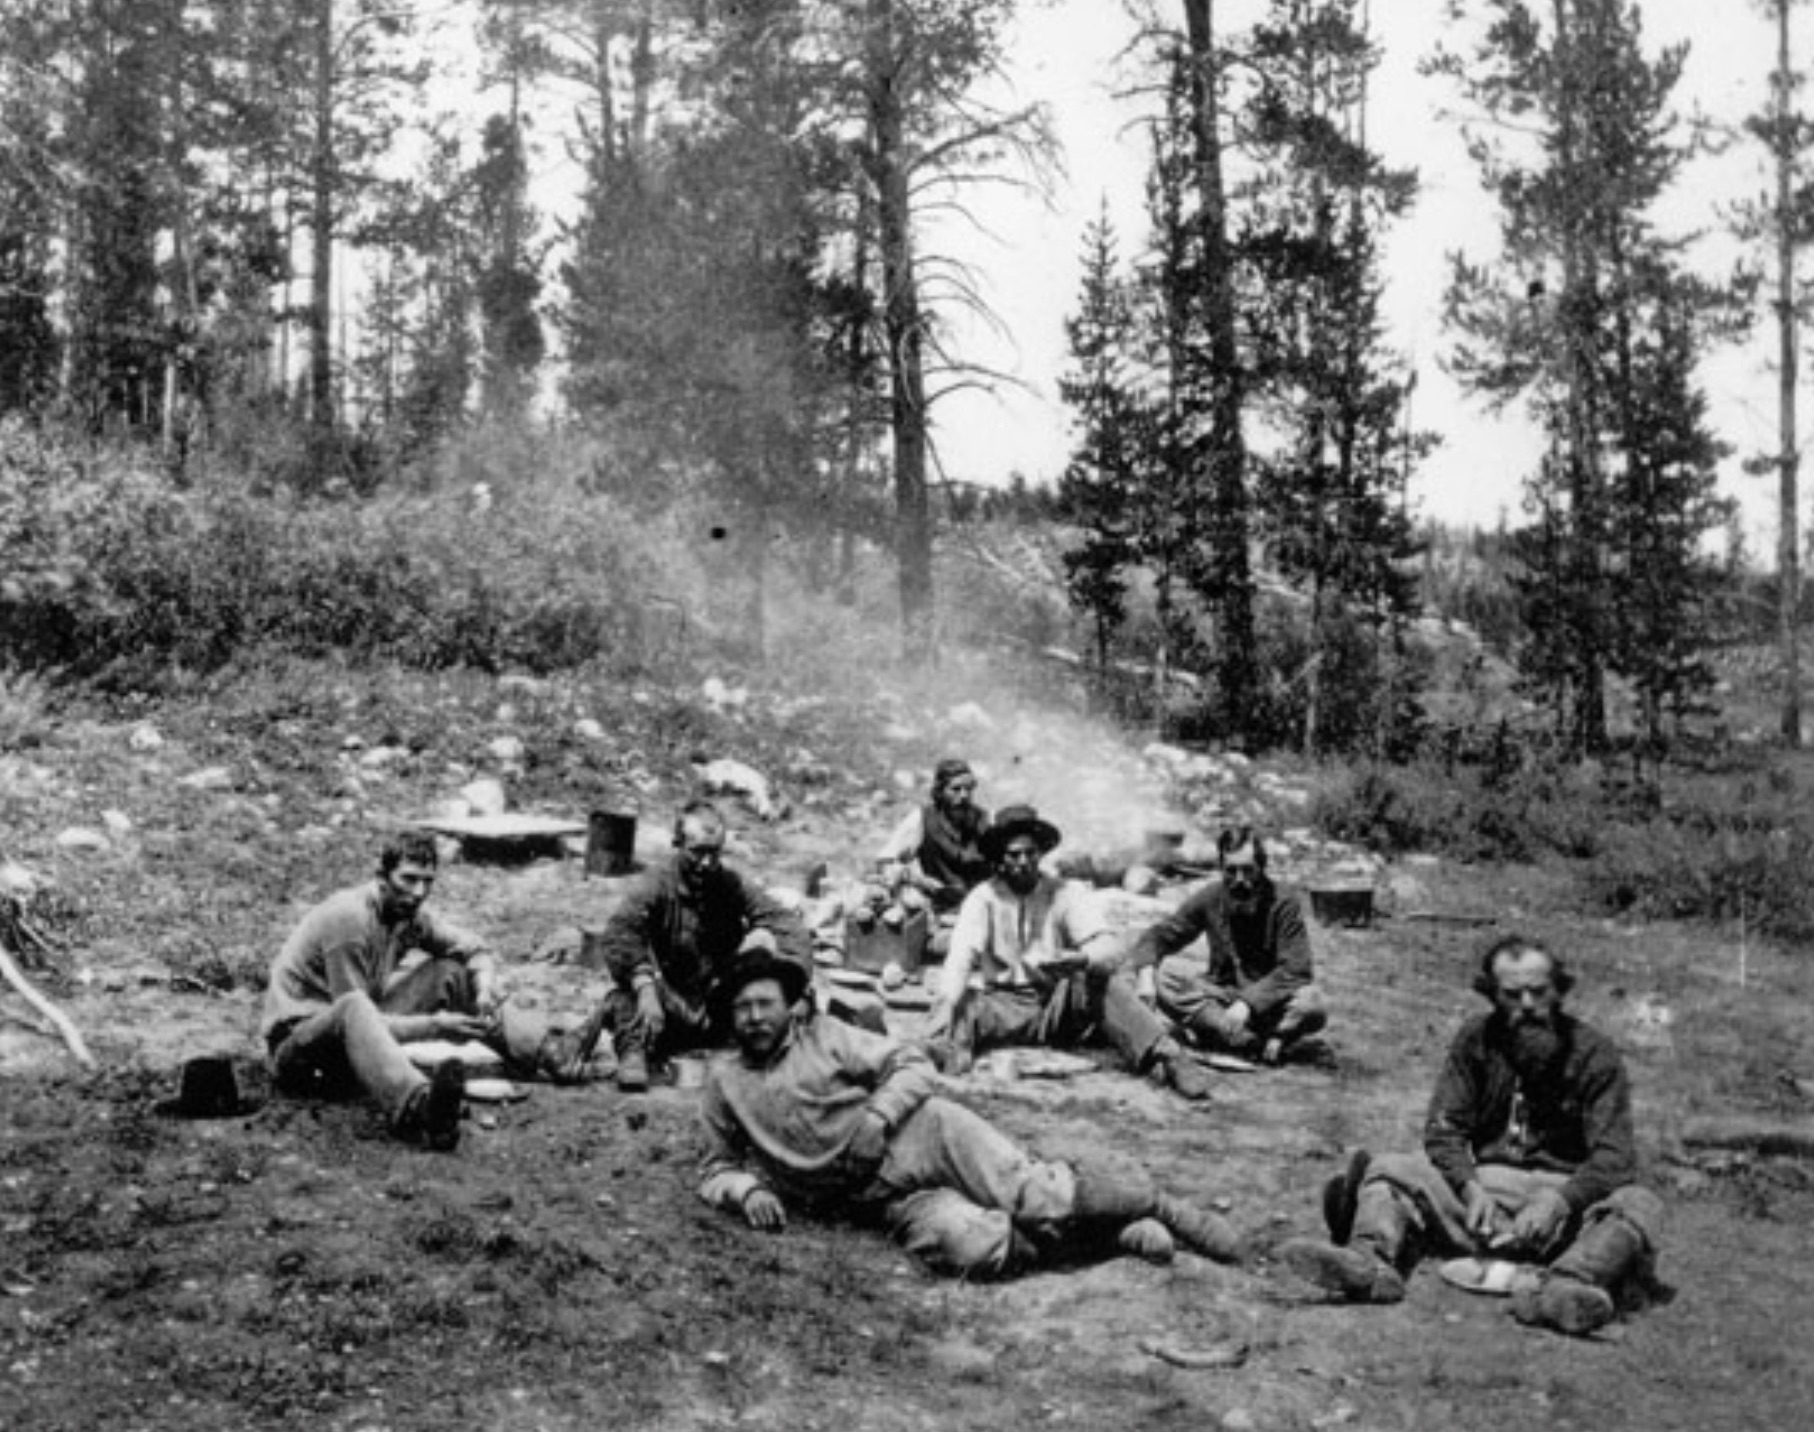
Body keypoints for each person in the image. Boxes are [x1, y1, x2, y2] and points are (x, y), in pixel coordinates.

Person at [698, 947, 1244, 1277]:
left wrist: (877, 1118)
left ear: (789, 1007)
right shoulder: (726, 1082)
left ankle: (1163, 1207)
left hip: (920, 1135)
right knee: (973, 1245)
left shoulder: (827, 1035)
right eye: (741, 1008)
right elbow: (714, 1166)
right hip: (871, 1198)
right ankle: (1112, 1236)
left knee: (1032, 1193)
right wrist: (748, 1190)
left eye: (763, 1003)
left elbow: (912, 1062)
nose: (752, 1017)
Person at [1277, 935, 1665, 1337]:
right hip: (1484, 1194)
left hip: (1564, 1207)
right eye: (1513, 995)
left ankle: (1566, 1286)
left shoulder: (1595, 1054)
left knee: (1639, 1203)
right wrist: (1469, 1187)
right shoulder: (1475, 1040)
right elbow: (1444, 1130)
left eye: (1539, 992)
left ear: (1559, 991)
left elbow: (1614, 1157)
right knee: (1390, 1169)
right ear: (1493, 996)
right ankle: (1370, 1265)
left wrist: (1560, 1201)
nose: (1528, 1005)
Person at [262, 831, 569, 1152]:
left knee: (450, 971)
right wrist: (436, 1025)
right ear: (382, 877)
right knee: (355, 1005)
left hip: (357, 1030)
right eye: (408, 879)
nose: (418, 892)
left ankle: (544, 1054)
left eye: (427, 881)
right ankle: (420, 1107)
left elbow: (473, 948)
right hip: (302, 1050)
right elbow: (357, 1018)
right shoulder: (348, 920)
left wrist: (483, 987)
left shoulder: (406, 915)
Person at [925, 805, 1216, 1101]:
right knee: (962, 1004)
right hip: (1002, 1004)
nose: (1023, 862)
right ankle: (944, 1056)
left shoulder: (1064, 892)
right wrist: (948, 1002)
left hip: (1055, 1002)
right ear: (1001, 857)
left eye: (1030, 853)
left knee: (1100, 982)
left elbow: (1107, 946)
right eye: (1014, 855)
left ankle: (1169, 1056)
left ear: (1040, 854)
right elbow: (960, 958)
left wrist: (1082, 958)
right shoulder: (982, 898)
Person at [594, 800, 813, 1093]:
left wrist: (793, 984)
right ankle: (636, 1053)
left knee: (770, 1004)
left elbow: (785, 923)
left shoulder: (730, 884)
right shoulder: (656, 883)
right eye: (698, 852)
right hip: (667, 1003)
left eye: (714, 853)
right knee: (625, 999)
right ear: (678, 844)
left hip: (717, 1003)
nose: (707, 863)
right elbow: (620, 932)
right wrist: (644, 984)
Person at [1129, 827, 1327, 1065]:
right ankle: (1255, 1042)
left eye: (1247, 870)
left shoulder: (1283, 902)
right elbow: (1162, 934)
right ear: (1221, 868)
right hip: (1221, 997)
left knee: (1312, 1003)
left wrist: (1248, 1003)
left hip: (1270, 1003)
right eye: (1231, 871)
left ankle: (1231, 1036)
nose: (1239, 880)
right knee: (1163, 977)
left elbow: (1296, 968)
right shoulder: (1211, 897)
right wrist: (1146, 973)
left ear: (1261, 867)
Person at [874, 757, 992, 920]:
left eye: (969, 789)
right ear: (940, 791)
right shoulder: (922, 819)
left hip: (980, 909)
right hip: (939, 910)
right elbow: (885, 861)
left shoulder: (983, 819)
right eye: (956, 789)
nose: (964, 795)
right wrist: (918, 880)